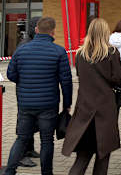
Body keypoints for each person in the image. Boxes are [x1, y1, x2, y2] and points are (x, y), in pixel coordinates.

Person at [4, 17, 73, 175]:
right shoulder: (59, 51)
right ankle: (46, 173)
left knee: (21, 138)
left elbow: (11, 75)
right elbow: (66, 81)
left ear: (36, 30)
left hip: (25, 104)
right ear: (53, 32)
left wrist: (26, 80)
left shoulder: (21, 50)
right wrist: (67, 103)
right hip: (48, 105)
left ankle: (9, 171)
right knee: (47, 141)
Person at [62, 18, 121, 175]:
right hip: (105, 110)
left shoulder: (80, 54)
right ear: (105, 33)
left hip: (85, 110)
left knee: (82, 159)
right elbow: (117, 77)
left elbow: (80, 75)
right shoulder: (111, 52)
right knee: (103, 158)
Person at [11, 16, 42, 168]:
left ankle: (29, 149)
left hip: (30, 91)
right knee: (25, 123)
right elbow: (14, 71)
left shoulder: (31, 42)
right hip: (26, 92)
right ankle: (21, 155)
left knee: (32, 121)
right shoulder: (25, 45)